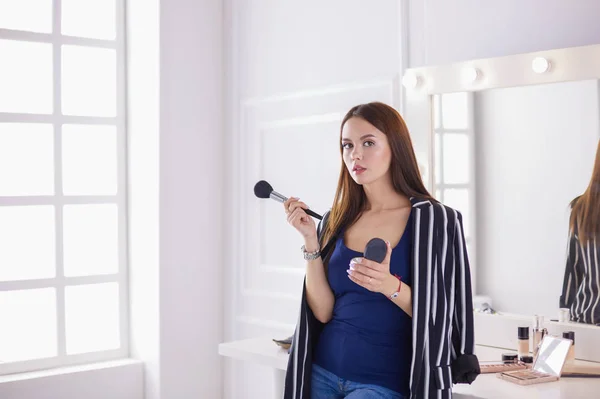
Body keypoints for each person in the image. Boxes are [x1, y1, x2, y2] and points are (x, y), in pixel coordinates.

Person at [281, 102, 480, 399]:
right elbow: (322, 313)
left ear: (395, 147)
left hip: (382, 384)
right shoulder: (336, 219)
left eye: (368, 143)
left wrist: (390, 286)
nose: (355, 155)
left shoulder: (435, 220)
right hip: (321, 373)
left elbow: (442, 316)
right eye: (347, 145)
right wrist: (311, 240)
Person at [560, 140, 600, 326]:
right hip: (586, 324)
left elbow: (572, 270)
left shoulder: (582, 207)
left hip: (585, 320)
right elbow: (573, 270)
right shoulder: (582, 208)